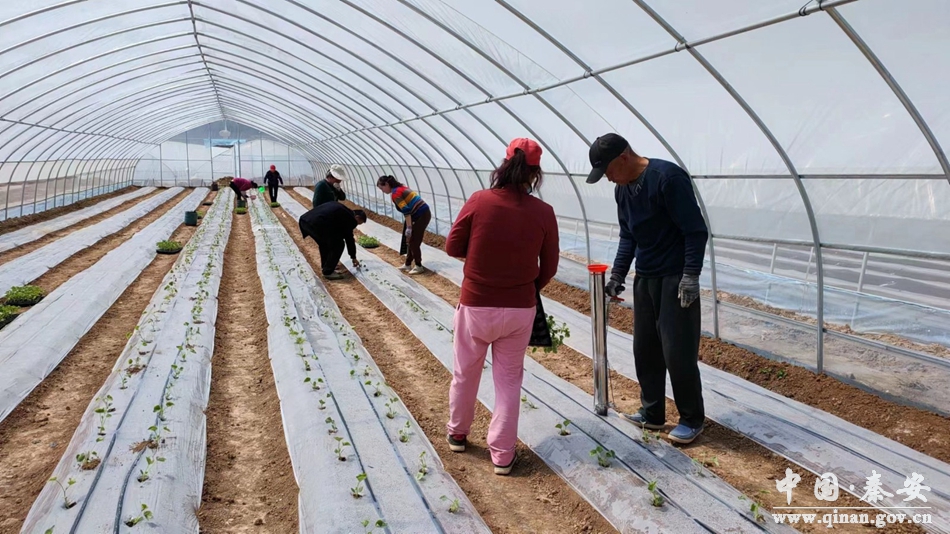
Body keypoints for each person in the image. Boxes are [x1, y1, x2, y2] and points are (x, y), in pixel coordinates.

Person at [444, 138, 559, 476]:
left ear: (504, 164)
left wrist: (481, 261)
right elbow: (550, 266)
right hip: (520, 309)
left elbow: (452, 246)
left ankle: (458, 433)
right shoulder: (544, 212)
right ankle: (503, 455)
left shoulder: (480, 201)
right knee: (508, 381)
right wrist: (526, 289)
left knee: (465, 372)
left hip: (476, 304)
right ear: (535, 173)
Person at [586, 132, 708, 444]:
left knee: (677, 351)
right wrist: (618, 275)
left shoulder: (667, 178)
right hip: (646, 278)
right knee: (646, 349)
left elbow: (695, 231)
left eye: (608, 171)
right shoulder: (623, 190)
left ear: (623, 158)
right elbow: (628, 236)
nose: (608, 179)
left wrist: (690, 275)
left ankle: (692, 419)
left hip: (675, 278)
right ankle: (652, 413)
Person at [377, 175, 431, 275]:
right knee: (410, 240)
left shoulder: (395, 194)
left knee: (414, 241)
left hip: (421, 215)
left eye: (382, 188)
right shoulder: (400, 188)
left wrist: (409, 227)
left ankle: (418, 266)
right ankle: (408, 264)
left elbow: (406, 210)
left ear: (387, 184)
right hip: (419, 214)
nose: (382, 191)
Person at [298, 202, 367, 280]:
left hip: (305, 221)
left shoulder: (343, 210)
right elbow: (349, 239)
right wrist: (353, 257)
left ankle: (326, 267)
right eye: (358, 223)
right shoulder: (350, 218)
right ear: (357, 217)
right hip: (315, 224)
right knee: (339, 244)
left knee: (325, 243)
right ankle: (328, 271)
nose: (356, 225)